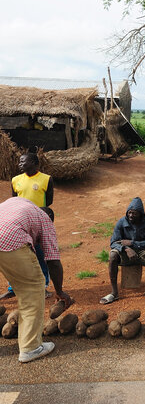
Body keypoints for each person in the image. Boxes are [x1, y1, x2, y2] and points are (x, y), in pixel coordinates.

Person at [0, 197, 72, 363]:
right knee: (32, 289)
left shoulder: (17, 202)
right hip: (9, 239)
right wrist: (59, 291)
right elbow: (53, 261)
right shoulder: (45, 221)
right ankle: (30, 348)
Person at [1, 153, 53, 300]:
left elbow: (49, 201)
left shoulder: (46, 179)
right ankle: (13, 287)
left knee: (40, 255)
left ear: (34, 163)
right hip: (19, 225)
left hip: (37, 223)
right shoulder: (15, 180)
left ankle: (43, 287)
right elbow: (14, 200)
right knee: (16, 254)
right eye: (19, 161)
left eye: (23, 161)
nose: (19, 164)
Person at [100, 197, 145, 304]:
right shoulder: (121, 222)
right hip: (125, 255)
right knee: (112, 255)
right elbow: (113, 243)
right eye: (129, 213)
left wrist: (132, 243)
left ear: (140, 214)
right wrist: (126, 248)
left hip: (142, 253)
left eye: (134, 213)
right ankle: (114, 293)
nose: (131, 215)